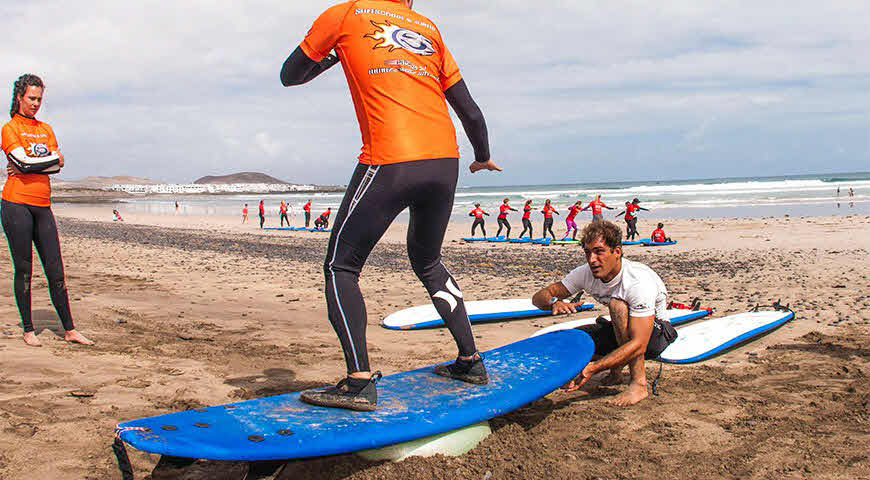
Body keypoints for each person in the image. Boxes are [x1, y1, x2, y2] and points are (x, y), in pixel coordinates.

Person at [281, 0, 501, 411]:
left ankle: (359, 381)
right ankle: (470, 361)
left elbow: (289, 76)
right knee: (428, 261)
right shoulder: (427, 28)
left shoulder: (345, 15)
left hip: (389, 160)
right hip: (443, 162)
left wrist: (334, 54)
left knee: (340, 266)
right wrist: (482, 155)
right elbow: (470, 111)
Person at [531, 221, 676, 405]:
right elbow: (538, 298)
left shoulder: (637, 280)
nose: (592, 259)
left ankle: (639, 384)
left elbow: (640, 343)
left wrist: (593, 369)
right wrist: (553, 301)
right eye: (587, 252)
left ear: (617, 252)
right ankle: (615, 373)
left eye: (599, 251)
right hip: (623, 328)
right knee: (574, 338)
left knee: (617, 305)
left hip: (656, 333)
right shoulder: (585, 273)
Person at [2, 74, 92, 347]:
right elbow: (26, 164)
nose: (36, 103)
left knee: (55, 269)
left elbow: (54, 165)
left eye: (40, 99)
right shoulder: (9, 128)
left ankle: (70, 329)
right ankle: (28, 329)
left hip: (43, 207)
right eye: (31, 98)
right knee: (25, 268)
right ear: (19, 97)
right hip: (16, 204)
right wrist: (37, 162)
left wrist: (34, 163)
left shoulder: (46, 129)